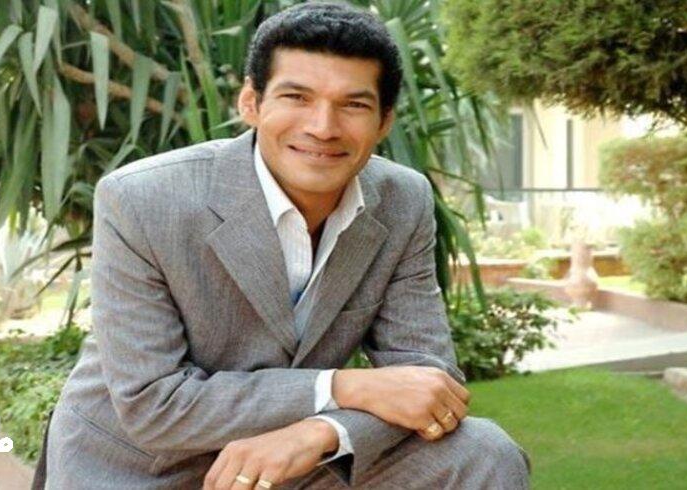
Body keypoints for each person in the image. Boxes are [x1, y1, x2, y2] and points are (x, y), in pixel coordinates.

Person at [39, 2, 530, 489]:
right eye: (297, 97)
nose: (323, 127)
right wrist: (340, 386)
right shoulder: (142, 198)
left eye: (354, 105)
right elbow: (154, 404)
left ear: (384, 121)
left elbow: (428, 379)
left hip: (298, 460)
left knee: (481, 452)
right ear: (250, 104)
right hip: (142, 468)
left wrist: (323, 433)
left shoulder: (403, 200)